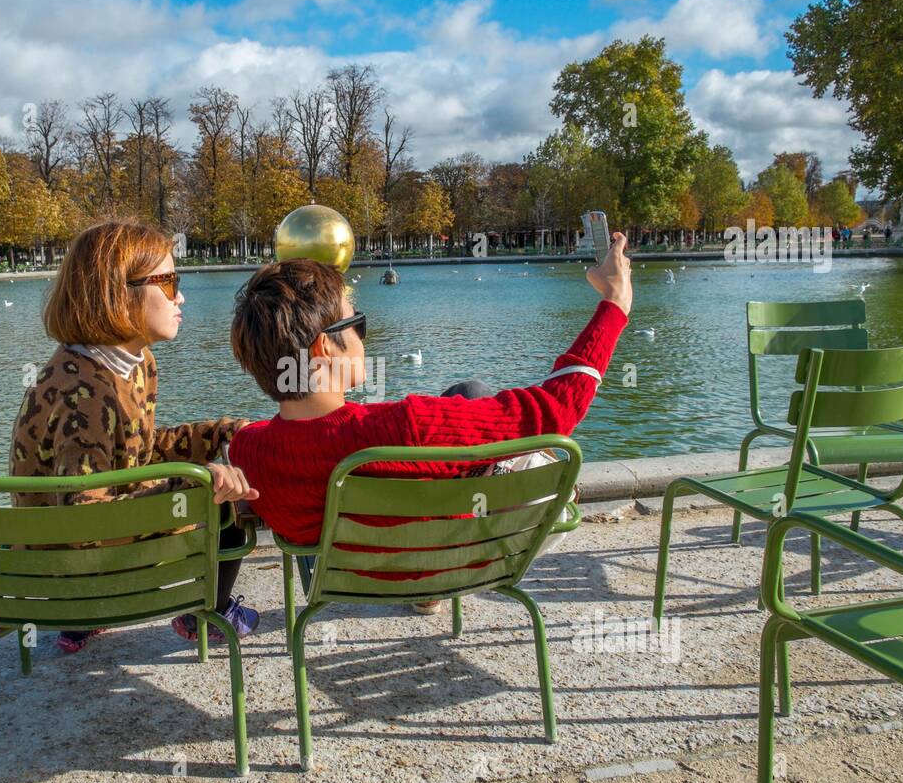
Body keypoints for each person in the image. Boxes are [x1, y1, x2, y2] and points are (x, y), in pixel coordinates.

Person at [227, 233, 632, 612]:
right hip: (457, 566)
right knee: (544, 465)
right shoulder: (408, 426)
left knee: (468, 394)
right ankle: (434, 589)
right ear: (325, 348)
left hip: (356, 579)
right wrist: (614, 305)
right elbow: (557, 407)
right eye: (358, 325)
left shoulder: (248, 451)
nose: (365, 337)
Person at [10, 219, 260, 652]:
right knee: (231, 503)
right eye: (167, 282)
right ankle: (206, 615)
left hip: (65, 557)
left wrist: (216, 433)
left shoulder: (129, 361)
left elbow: (134, 454)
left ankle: (80, 627)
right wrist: (198, 483)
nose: (180, 296)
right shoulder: (84, 394)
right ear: (117, 294)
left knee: (217, 483)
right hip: (69, 579)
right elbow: (84, 513)